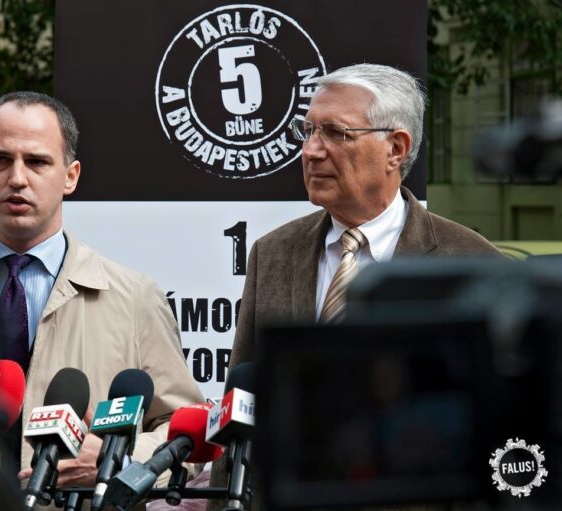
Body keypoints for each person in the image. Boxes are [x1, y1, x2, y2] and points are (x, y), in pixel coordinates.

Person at [209, 63, 502, 509]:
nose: (311, 151)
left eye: (335, 133)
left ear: (395, 148)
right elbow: (239, 406)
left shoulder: (470, 264)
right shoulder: (273, 253)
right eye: (307, 131)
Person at [0, 91, 204, 490]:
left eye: (37, 161)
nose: (17, 178)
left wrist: (118, 461)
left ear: (71, 176)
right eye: (1, 160)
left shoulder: (134, 298)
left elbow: (186, 430)